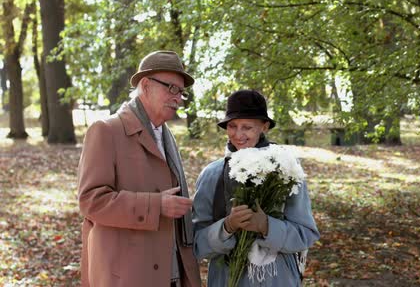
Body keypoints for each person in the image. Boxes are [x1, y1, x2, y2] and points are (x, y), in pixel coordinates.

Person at [77, 50, 201, 287]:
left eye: (181, 92)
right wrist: (156, 205)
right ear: (145, 86)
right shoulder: (106, 130)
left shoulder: (168, 137)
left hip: (172, 272)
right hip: (128, 276)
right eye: (171, 88)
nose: (178, 98)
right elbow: (90, 201)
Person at [192, 90, 320, 286]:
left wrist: (266, 225)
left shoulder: (286, 170)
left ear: (265, 127)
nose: (238, 134)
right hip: (226, 279)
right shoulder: (212, 174)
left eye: (247, 127)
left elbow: (306, 235)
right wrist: (227, 227)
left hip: (278, 279)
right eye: (232, 126)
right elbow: (196, 244)